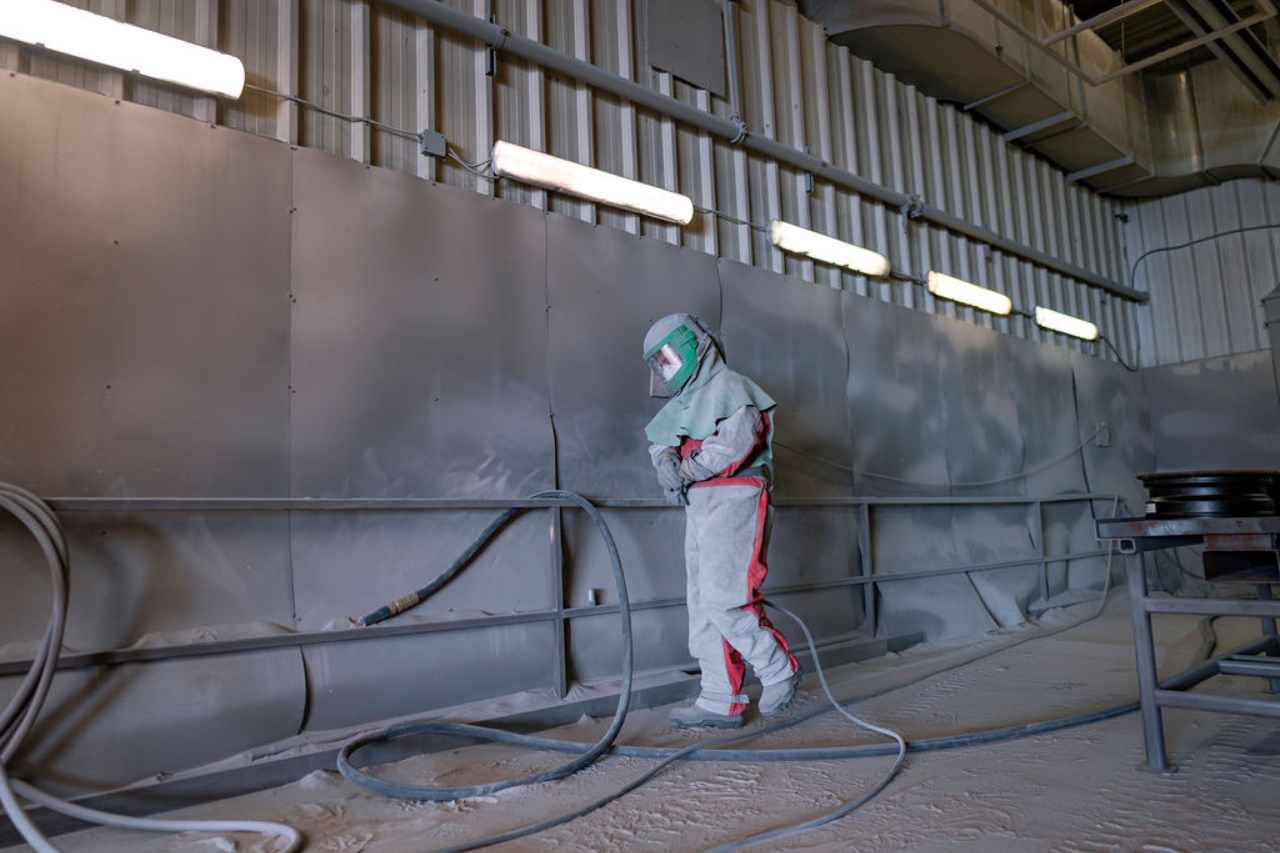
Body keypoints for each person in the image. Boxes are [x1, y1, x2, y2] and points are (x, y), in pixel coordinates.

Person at [642, 313, 800, 729]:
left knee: (724, 595)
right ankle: (718, 697)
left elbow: (736, 441)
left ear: (696, 346)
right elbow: (660, 441)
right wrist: (665, 463)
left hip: (736, 496)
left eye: (671, 357)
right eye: (660, 363)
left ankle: (777, 669)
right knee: (700, 603)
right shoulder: (681, 403)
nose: (667, 368)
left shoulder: (731, 387)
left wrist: (686, 470)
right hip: (698, 503)